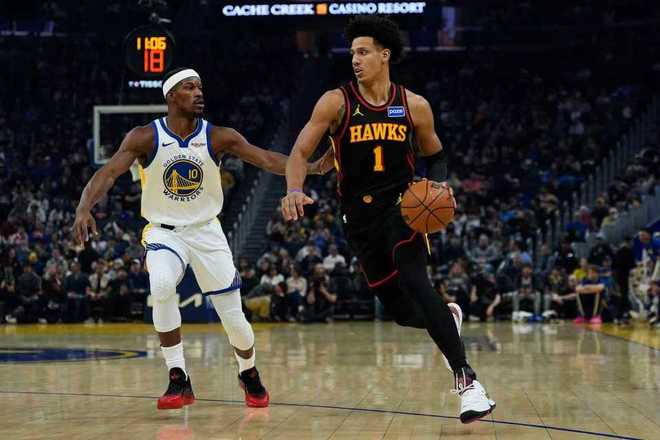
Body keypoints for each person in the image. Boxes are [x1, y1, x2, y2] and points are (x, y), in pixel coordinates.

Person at [73, 67, 331, 410]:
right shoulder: (144, 137)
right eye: (189, 87)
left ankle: (248, 372)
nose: (198, 92)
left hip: (207, 231)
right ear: (171, 96)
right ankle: (178, 377)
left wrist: (311, 168)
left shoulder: (219, 136)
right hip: (164, 231)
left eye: (200, 87)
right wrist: (84, 207)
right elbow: (107, 173)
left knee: (234, 318)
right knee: (161, 285)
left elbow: (266, 158)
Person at [280, 16, 494, 423]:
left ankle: (468, 382)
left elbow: (436, 156)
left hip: (403, 207)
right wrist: (293, 189)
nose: (355, 60)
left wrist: (438, 185)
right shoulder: (336, 102)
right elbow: (299, 153)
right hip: (358, 219)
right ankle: (446, 317)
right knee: (401, 311)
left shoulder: (414, 105)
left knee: (415, 279)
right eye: (352, 53)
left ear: (385, 55)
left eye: (363, 52)